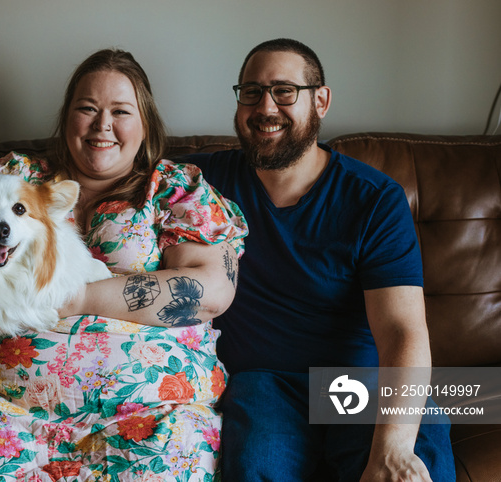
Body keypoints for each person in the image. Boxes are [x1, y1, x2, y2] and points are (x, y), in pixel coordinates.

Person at [0, 49, 247, 481]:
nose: (102, 125)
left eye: (120, 111)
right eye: (87, 109)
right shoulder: (11, 174)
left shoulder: (174, 188)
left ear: (145, 122)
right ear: (66, 118)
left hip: (149, 410)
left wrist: (75, 298)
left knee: (172, 463)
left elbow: (211, 291)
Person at [184, 38, 455, 481]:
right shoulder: (200, 182)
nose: (265, 106)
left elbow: (402, 329)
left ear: (321, 101)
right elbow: (118, 165)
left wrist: (393, 449)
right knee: (256, 468)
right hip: (262, 382)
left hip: (360, 382)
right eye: (251, 92)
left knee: (412, 466)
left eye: (284, 91)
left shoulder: (374, 199)